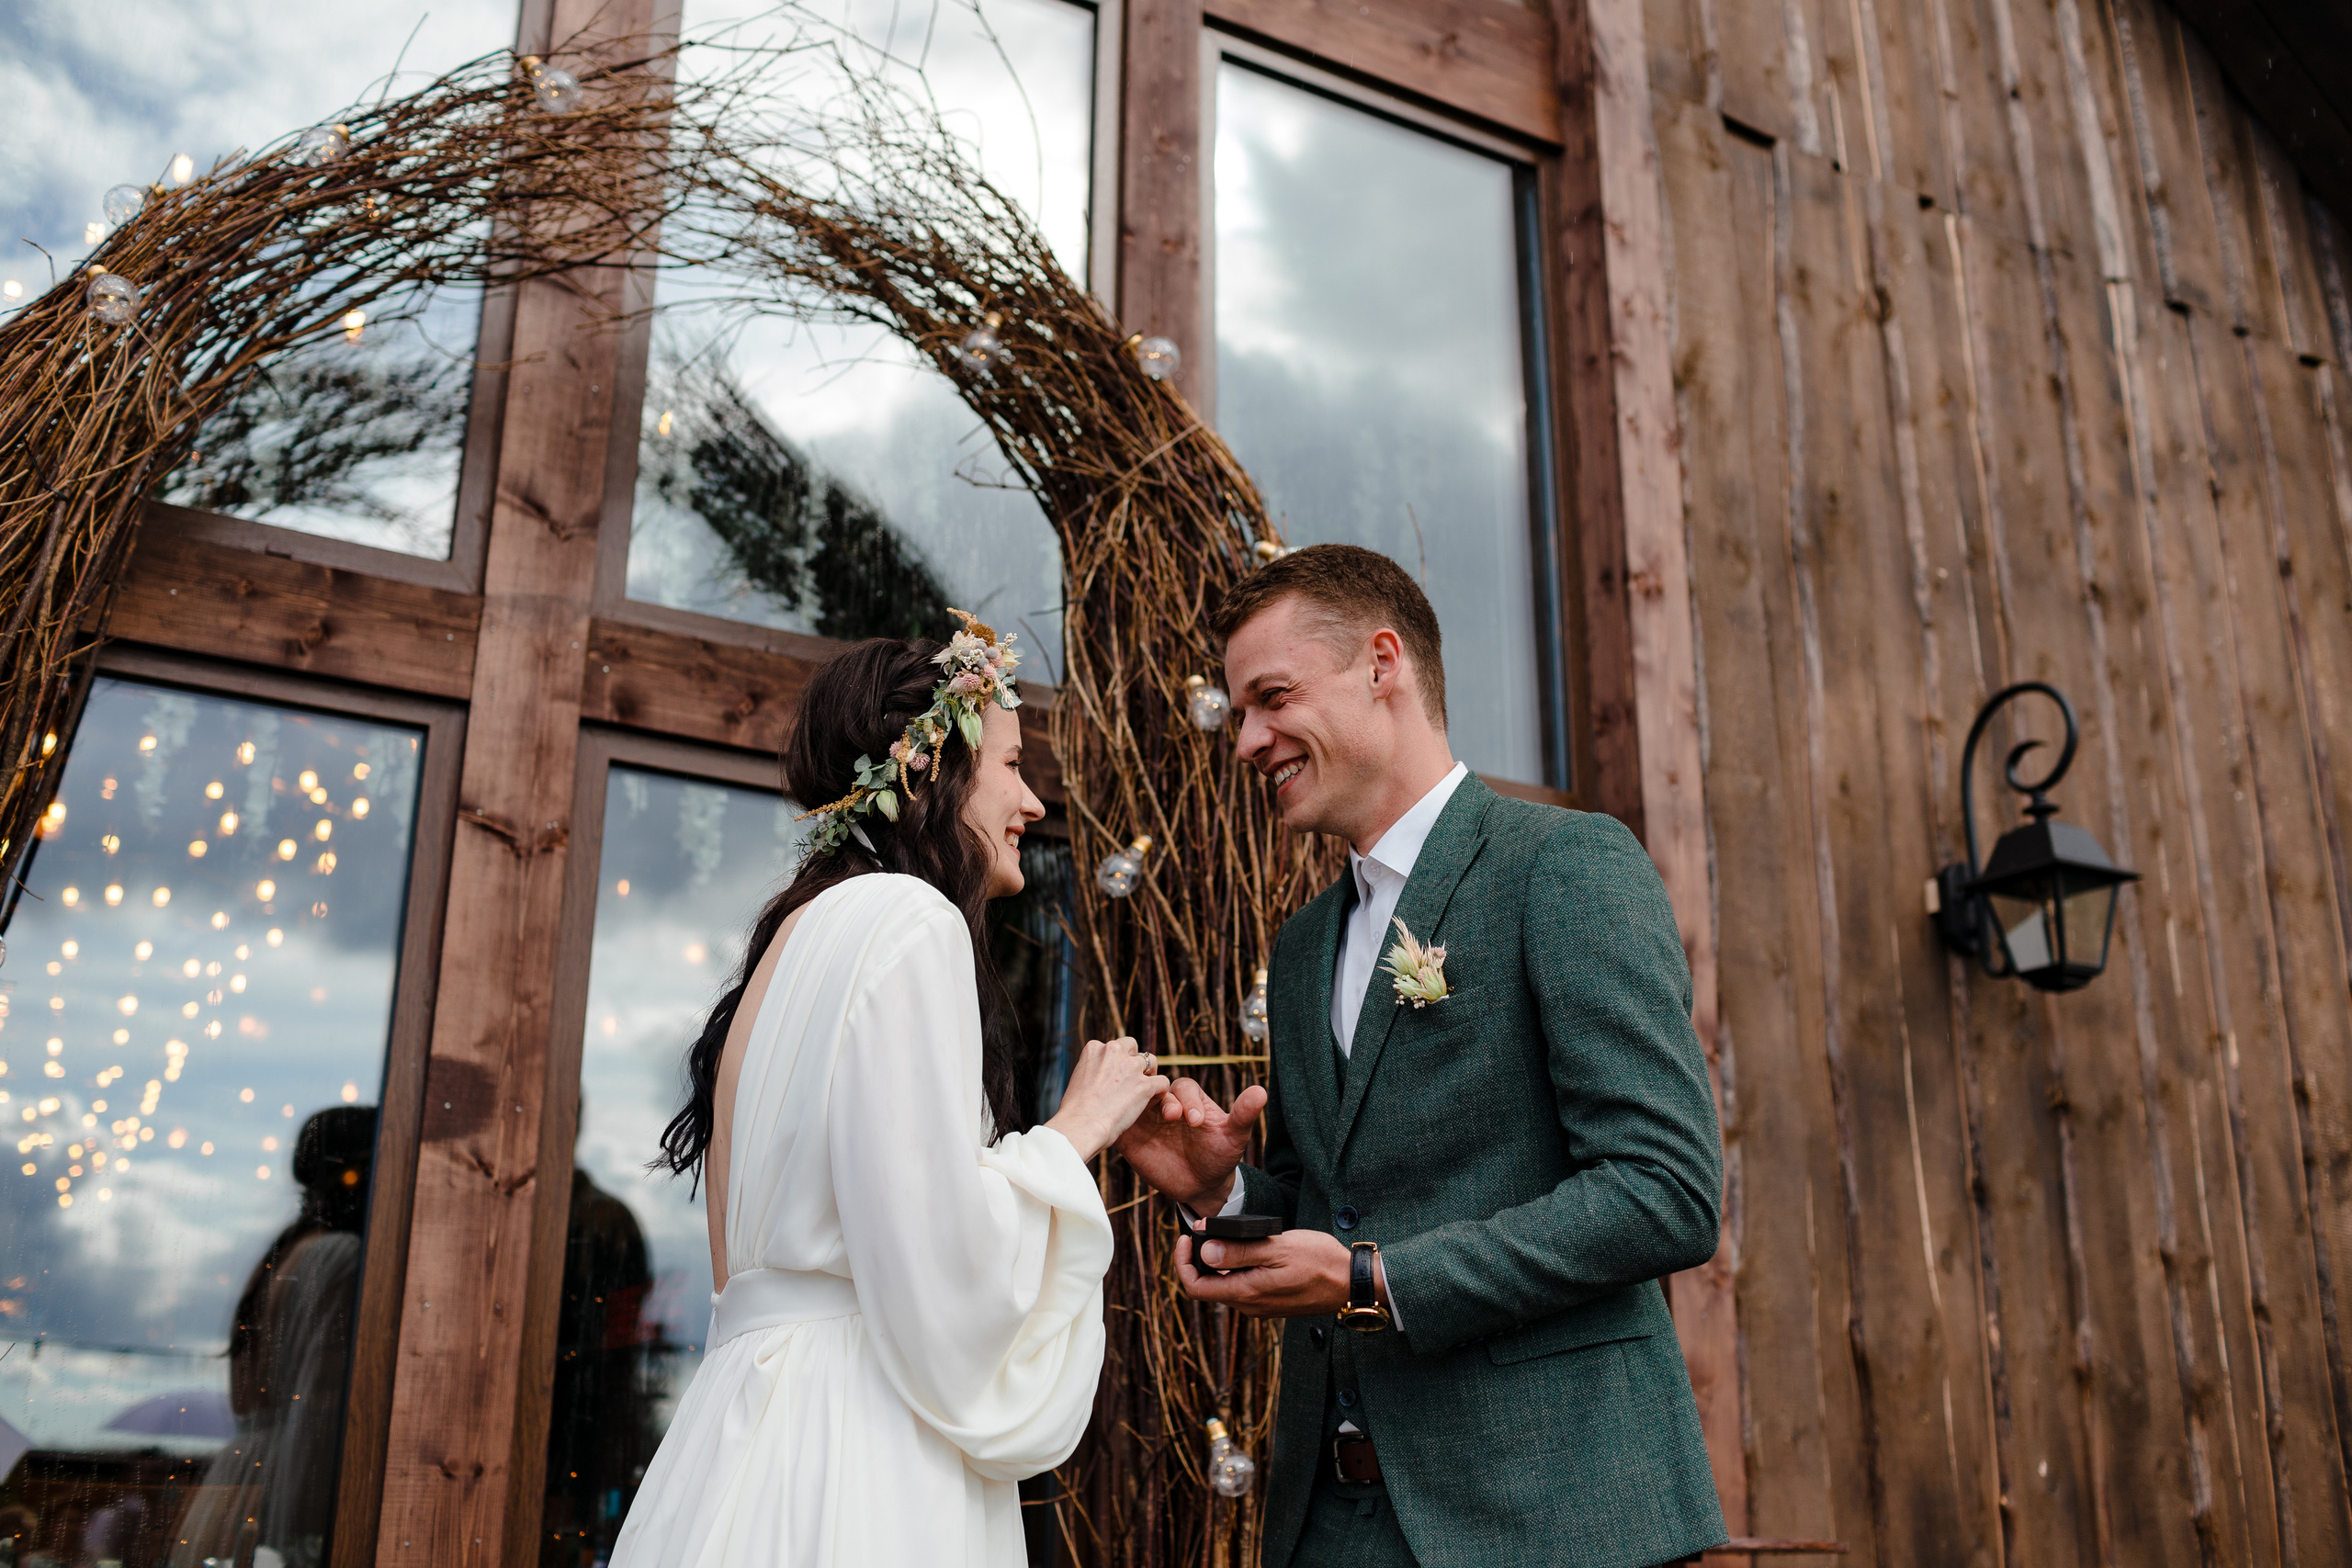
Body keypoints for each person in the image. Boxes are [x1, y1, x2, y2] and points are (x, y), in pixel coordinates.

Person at [1116, 546, 1730, 1568]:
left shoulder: (1563, 866)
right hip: (1332, 1522)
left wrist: (1373, 1280)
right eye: (1241, 715)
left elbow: (1664, 1192)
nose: (1249, 741)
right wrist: (1222, 1194)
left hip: (1552, 1518)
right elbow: (1336, 1200)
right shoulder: (1303, 943)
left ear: (1382, 664)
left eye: (1271, 698)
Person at [611, 615, 1170, 1568]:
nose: (1032, 802)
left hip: (738, 1442)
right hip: (856, 1453)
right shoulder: (908, 920)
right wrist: (1073, 1132)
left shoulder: (788, 944)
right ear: (923, 771)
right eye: (1009, 764)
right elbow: (940, 1267)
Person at [173, 1104, 377, 1568]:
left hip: (241, 1483)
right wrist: (305, 1536)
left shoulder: (283, 1254)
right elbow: (318, 1411)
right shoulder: (338, 1258)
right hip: (284, 1491)